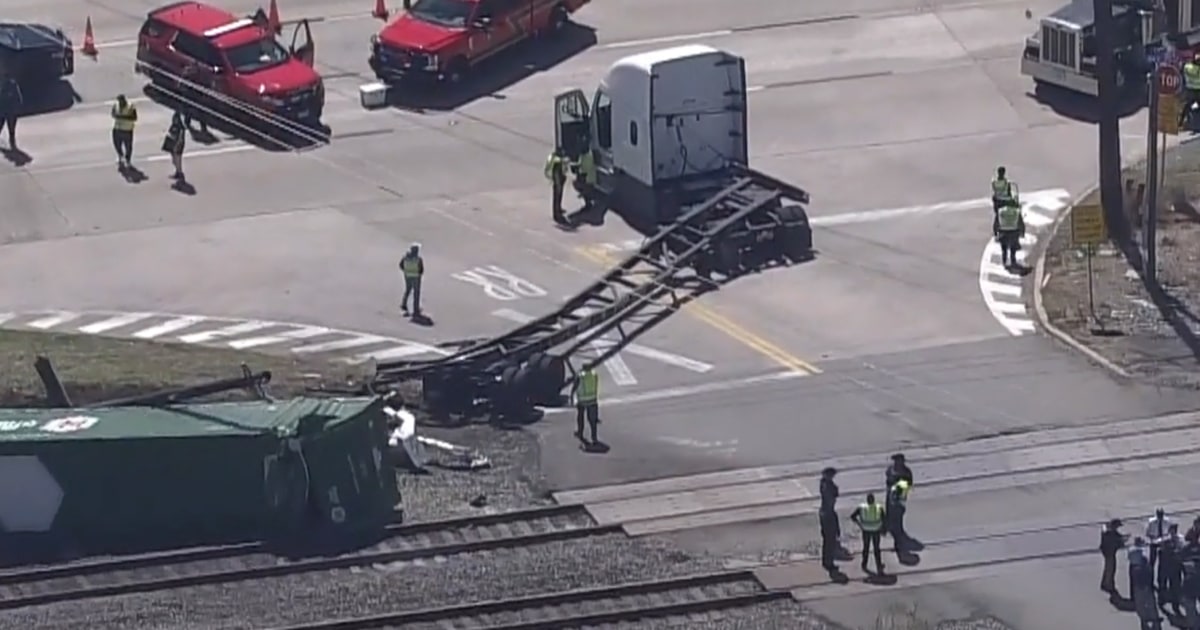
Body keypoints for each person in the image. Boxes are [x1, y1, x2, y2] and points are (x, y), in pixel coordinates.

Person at [850, 493, 886, 574]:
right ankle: (879, 565)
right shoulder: (879, 507)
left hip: (865, 530)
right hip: (876, 530)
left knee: (866, 547)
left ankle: (864, 564)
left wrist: (860, 524)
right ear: (873, 500)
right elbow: (884, 519)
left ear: (867, 500)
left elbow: (852, 516)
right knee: (876, 549)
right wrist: (883, 529)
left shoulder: (862, 508)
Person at [1159, 524, 1184, 614]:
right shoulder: (1165, 539)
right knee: (1163, 584)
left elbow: (1182, 549)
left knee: (1175, 586)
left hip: (1176, 566)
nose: (1173, 532)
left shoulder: (1180, 539)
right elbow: (1161, 548)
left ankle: (1175, 604)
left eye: (1174, 530)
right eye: (1171, 530)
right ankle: (1162, 600)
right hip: (1166, 566)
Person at [819, 467, 840, 571]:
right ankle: (828, 562)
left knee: (828, 540)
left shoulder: (824, 484)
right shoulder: (827, 486)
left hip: (826, 513)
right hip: (828, 514)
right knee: (829, 540)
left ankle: (827, 561)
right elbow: (833, 495)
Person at [573, 366, 600, 444]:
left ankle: (580, 433)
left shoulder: (580, 376)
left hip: (582, 400)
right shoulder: (594, 374)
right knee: (592, 420)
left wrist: (572, 395)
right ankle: (594, 437)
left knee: (580, 417)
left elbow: (575, 386)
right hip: (592, 399)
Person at [1100, 518, 1128, 593]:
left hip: (1107, 551)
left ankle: (1105, 583)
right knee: (1110, 568)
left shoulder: (1108, 530)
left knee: (1108, 568)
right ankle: (1108, 584)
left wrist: (1122, 537)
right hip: (1109, 552)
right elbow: (1116, 539)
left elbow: (1117, 536)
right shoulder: (1110, 533)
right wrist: (1122, 540)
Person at [995, 201, 1024, 269]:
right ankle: (1013, 261)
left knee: (1004, 249)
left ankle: (1004, 261)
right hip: (1014, 231)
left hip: (1003, 231)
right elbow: (1020, 222)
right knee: (1013, 248)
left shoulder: (1001, 211)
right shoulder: (1016, 211)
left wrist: (996, 232)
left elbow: (996, 222)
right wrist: (1022, 232)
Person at [111, 94, 138, 169]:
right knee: (117, 144)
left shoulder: (131, 106)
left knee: (128, 146)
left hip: (127, 129)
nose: (120, 103)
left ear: (124, 100)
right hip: (117, 128)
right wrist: (114, 115)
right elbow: (113, 114)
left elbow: (134, 117)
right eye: (119, 101)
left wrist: (122, 117)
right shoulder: (116, 105)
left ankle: (128, 160)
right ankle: (120, 155)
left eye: (121, 101)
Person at [1147, 508, 1176, 577]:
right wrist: (1153, 539)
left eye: (1161, 515)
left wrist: (1165, 539)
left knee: (1163, 563)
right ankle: (1151, 580)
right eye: (1159, 515)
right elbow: (1148, 533)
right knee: (1152, 563)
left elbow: (1170, 531)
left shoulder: (1167, 521)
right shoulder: (1151, 522)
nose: (1160, 517)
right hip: (1154, 542)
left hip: (1164, 542)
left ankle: (1161, 581)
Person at [0, 70, 23, 149]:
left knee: (10, 128)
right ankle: (12, 142)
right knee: (10, 128)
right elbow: (18, 98)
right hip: (7, 110)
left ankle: (12, 142)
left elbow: (18, 97)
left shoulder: (10, 85)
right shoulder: (10, 85)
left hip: (7, 110)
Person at [886, 478, 911, 553]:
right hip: (901, 508)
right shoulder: (904, 485)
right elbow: (904, 496)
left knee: (896, 530)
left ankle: (898, 546)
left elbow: (893, 500)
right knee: (898, 528)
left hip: (897, 509)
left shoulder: (894, 488)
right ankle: (899, 545)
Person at [545, 147, 568, 225]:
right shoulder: (557, 162)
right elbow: (557, 174)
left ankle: (558, 210)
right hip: (558, 181)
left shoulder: (553, 158)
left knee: (557, 197)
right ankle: (556, 213)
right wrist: (558, 184)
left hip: (557, 180)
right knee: (557, 197)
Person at [399, 244, 424, 317]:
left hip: (407, 276)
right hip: (416, 277)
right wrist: (419, 274)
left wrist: (406, 271)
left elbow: (400, 265)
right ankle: (415, 309)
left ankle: (404, 304)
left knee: (407, 290)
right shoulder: (418, 259)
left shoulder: (405, 257)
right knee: (416, 293)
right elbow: (421, 269)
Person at [163, 111, 187, 181]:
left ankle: (179, 173)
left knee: (178, 159)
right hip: (174, 144)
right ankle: (178, 172)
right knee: (174, 160)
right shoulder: (173, 125)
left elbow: (180, 138)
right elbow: (170, 132)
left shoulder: (181, 128)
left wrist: (177, 145)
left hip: (178, 145)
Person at [572, 148, 598, 212]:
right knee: (585, 191)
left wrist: (578, 168)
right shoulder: (585, 155)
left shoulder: (587, 157)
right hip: (586, 176)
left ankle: (588, 205)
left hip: (586, 176)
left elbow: (585, 168)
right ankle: (588, 203)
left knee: (586, 190)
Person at [1182, 53, 1200, 128]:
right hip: (1198, 90)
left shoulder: (1187, 67)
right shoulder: (1198, 69)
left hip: (1189, 89)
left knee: (1187, 105)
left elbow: (1182, 71)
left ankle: (1181, 121)